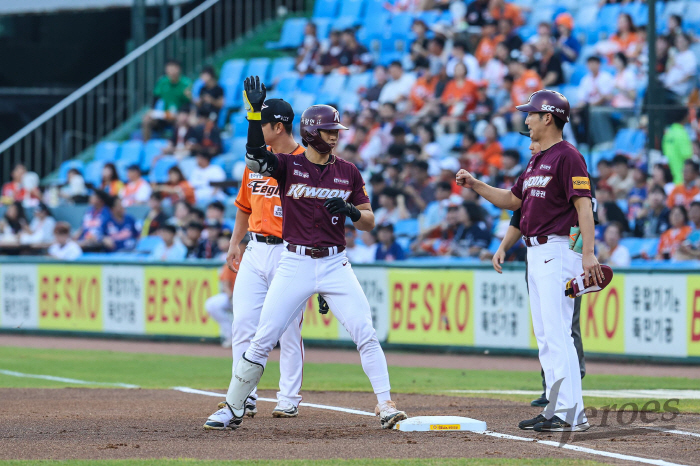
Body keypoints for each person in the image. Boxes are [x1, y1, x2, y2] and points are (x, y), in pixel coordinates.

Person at [205, 77, 407, 431]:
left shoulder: (348, 171)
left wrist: (351, 211)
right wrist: (254, 115)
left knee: (365, 331)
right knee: (263, 336)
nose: (335, 135)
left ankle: (386, 403)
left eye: (336, 131)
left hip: (334, 262)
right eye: (329, 131)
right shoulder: (288, 165)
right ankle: (234, 406)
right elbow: (254, 158)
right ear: (312, 132)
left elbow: (370, 221)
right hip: (294, 260)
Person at [457, 89, 601, 432]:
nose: (526, 119)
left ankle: (570, 412)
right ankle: (556, 407)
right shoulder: (537, 159)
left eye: (531, 114)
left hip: (556, 250)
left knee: (558, 332)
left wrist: (588, 253)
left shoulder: (568, 157)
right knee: (546, 335)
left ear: (547, 117)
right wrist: (476, 184)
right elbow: (511, 199)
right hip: (534, 252)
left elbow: (584, 207)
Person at [206, 98, 307, 424]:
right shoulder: (254, 161)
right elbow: (244, 205)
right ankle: (245, 395)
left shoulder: (306, 161)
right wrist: (236, 242)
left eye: (261, 124)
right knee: (243, 325)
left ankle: (289, 398)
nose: (255, 131)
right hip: (255, 247)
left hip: (291, 251)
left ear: (278, 126)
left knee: (288, 329)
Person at [205, 239, 245, 348]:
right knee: (212, 304)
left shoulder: (255, 260)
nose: (243, 246)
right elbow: (225, 284)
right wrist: (231, 297)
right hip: (233, 297)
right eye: (242, 243)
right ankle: (230, 336)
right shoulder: (234, 261)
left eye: (245, 243)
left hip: (252, 300)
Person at [142, 59, 191, 141]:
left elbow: (188, 103)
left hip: (178, 115)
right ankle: (146, 146)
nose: (169, 71)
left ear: (178, 69)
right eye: (168, 68)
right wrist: (152, 111)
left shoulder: (186, 83)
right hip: (164, 114)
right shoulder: (162, 82)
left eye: (172, 68)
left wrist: (180, 114)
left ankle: (177, 145)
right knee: (146, 120)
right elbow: (155, 98)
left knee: (181, 121)